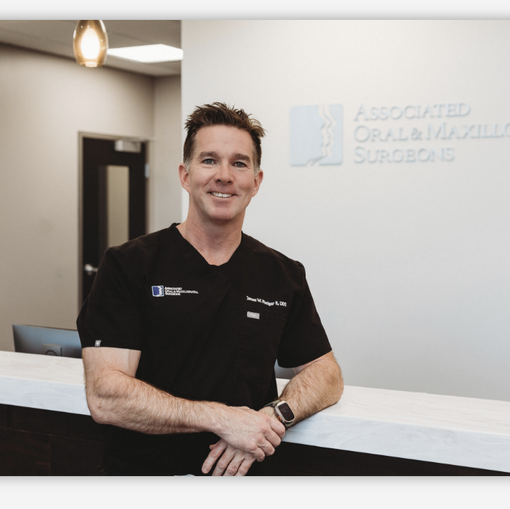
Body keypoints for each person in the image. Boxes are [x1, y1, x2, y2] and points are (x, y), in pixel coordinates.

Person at [78, 102, 344, 475]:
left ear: (257, 180)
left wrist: (275, 415)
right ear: (185, 176)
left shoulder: (282, 274)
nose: (224, 175)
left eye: (239, 163)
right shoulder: (129, 265)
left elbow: (326, 373)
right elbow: (106, 396)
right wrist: (221, 418)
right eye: (209, 161)